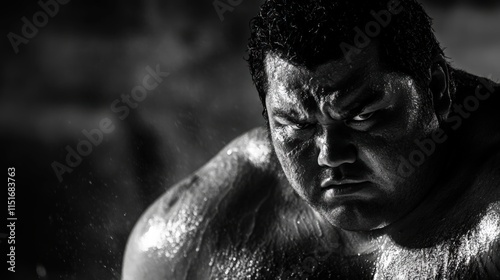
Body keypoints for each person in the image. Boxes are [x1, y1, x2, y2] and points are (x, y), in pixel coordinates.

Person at [122, 0, 500, 279]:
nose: (330, 155)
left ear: (437, 92)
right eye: (297, 126)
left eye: (362, 116)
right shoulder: (201, 227)